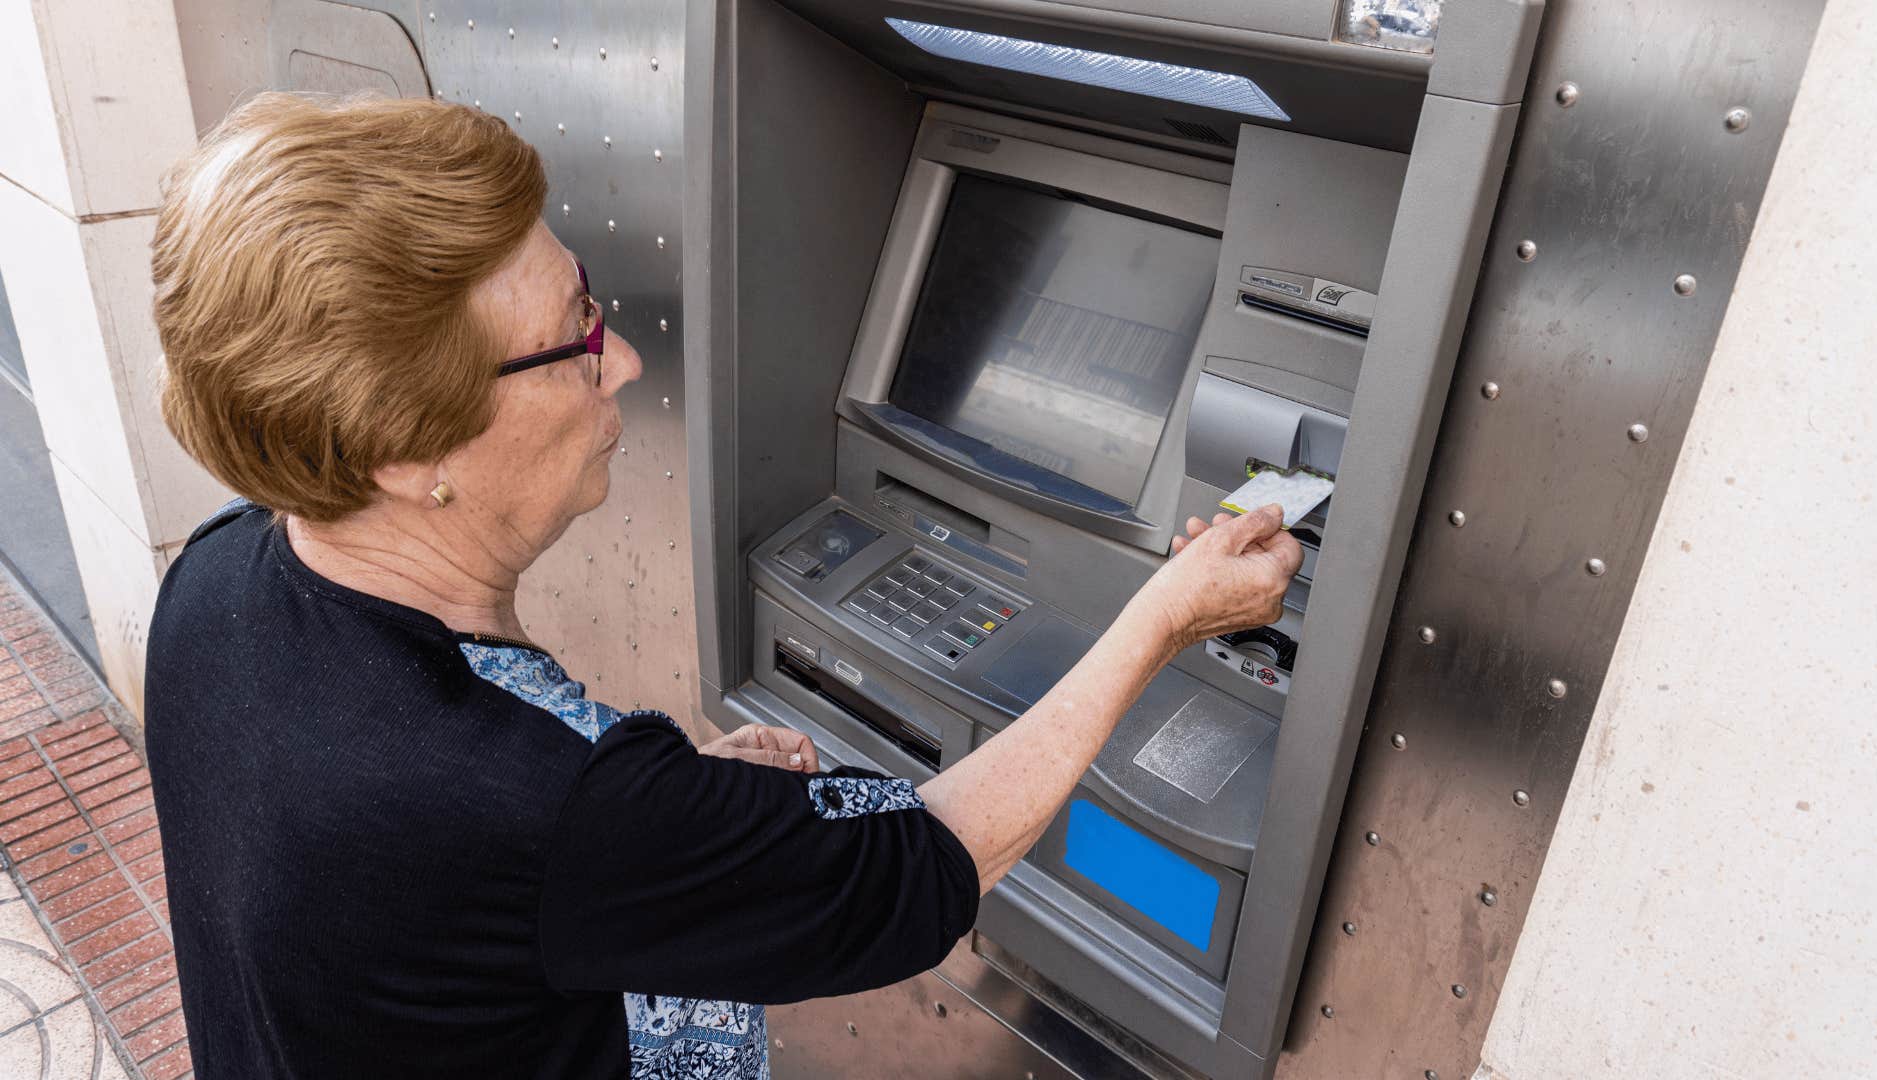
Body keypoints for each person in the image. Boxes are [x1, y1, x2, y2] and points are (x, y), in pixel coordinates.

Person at [144, 92, 1301, 1079]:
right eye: (577, 333)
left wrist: (671, 820)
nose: (628, 361)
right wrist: (1162, 615)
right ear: (408, 448)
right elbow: (918, 879)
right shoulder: (547, 807)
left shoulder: (218, 580)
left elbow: (430, 887)